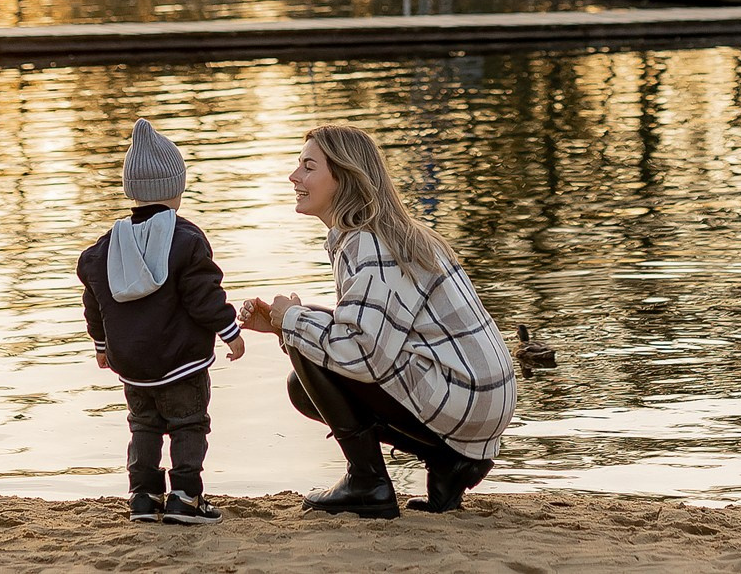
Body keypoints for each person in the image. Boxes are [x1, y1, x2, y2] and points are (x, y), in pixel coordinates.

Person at [239, 124, 515, 519]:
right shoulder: (387, 232)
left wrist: (292, 322)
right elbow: (372, 331)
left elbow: (365, 354)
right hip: (478, 398)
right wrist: (284, 323)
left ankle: (368, 483)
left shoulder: (367, 242)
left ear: (343, 177)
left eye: (308, 167)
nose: (294, 176)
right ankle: (448, 463)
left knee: (306, 349)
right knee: (304, 369)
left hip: (465, 398)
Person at [78, 118, 245, 525]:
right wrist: (230, 331)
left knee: (144, 426)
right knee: (189, 423)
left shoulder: (104, 249)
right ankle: (186, 497)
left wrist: (101, 346)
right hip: (180, 360)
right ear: (177, 188)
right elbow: (203, 294)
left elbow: (95, 301)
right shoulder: (186, 239)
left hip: (132, 365)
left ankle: (143, 497)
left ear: (130, 190)